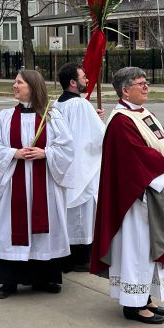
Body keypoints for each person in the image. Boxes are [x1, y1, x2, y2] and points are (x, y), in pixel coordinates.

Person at [90, 66, 164, 324]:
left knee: (148, 251)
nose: (146, 87)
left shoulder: (143, 113)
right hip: (135, 200)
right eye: (141, 83)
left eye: (146, 83)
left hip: (152, 194)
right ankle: (133, 305)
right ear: (125, 90)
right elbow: (136, 157)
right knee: (137, 250)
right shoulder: (121, 121)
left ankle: (144, 297)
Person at [0, 68, 72, 298]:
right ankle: (9, 280)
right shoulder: (4, 117)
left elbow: (67, 148)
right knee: (10, 228)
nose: (14, 86)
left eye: (19, 83)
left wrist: (46, 153)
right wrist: (14, 153)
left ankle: (44, 278)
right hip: (14, 185)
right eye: (15, 82)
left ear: (33, 87)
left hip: (45, 185)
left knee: (44, 227)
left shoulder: (51, 116)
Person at [56, 62, 104, 271]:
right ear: (73, 82)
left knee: (68, 214)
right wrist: (102, 123)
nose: (87, 80)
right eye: (84, 77)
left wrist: (95, 117)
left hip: (65, 166)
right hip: (83, 166)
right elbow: (98, 137)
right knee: (83, 214)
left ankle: (65, 256)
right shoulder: (82, 105)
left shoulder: (57, 104)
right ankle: (82, 257)